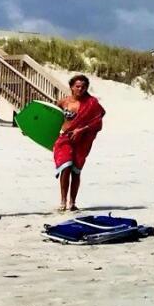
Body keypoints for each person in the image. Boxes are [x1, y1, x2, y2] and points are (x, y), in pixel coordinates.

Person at [52, 75, 105, 214]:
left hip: (82, 141)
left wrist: (82, 129)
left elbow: (98, 119)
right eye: (77, 86)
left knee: (76, 171)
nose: (80, 89)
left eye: (83, 87)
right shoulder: (63, 102)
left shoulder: (91, 103)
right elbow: (49, 118)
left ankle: (72, 202)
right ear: (71, 87)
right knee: (66, 166)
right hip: (64, 138)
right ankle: (63, 200)